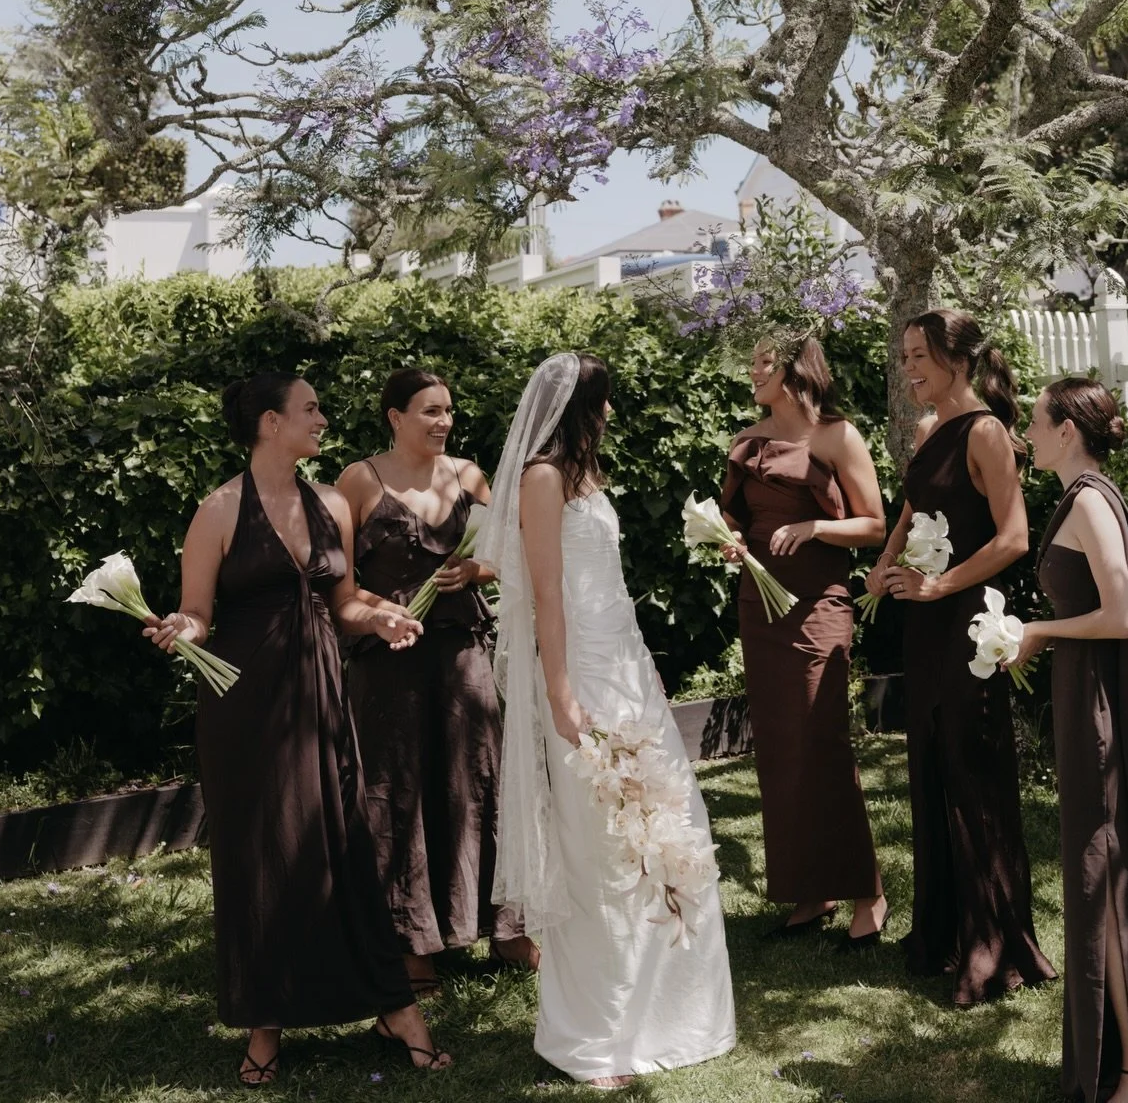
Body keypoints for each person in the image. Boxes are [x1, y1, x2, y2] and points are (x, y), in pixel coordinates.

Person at [143, 373, 451, 1085]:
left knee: (345, 849)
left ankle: (393, 1008)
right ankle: (264, 1025)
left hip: (323, 701)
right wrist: (176, 628)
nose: (322, 417)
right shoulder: (217, 510)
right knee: (261, 861)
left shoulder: (332, 504)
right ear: (268, 422)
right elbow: (198, 613)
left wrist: (376, 616)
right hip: (246, 711)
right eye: (309, 408)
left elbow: (342, 600)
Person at [478, 351, 736, 1089]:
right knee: (602, 848)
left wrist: (643, 661)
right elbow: (545, 597)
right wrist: (559, 691)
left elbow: (609, 586)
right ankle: (598, 1031)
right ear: (579, 407)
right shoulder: (541, 477)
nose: (614, 414)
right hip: (579, 675)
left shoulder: (586, 478)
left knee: (670, 828)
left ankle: (674, 1014)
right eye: (607, 402)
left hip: (625, 668)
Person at [865, 310, 1055, 1005]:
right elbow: (911, 512)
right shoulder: (926, 430)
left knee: (974, 775)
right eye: (906, 354)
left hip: (970, 627)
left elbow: (1013, 538)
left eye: (919, 356)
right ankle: (942, 934)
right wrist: (884, 567)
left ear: (957, 360)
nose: (908, 367)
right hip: (922, 624)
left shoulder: (986, 433)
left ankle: (994, 945)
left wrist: (940, 583)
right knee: (931, 768)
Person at [337, 368, 538, 992]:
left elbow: (514, 552)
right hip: (390, 662)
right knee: (397, 791)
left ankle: (502, 927)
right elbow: (337, 582)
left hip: (461, 656)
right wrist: (384, 611)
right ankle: (412, 941)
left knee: (475, 779)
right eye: (429, 411)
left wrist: (475, 568)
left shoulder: (469, 475)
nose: (443, 422)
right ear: (394, 417)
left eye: (448, 410)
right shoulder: (358, 480)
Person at [1017, 378, 1128, 1103]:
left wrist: (1037, 631)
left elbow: (1118, 616)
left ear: (1065, 432)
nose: (1026, 434)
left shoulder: (1089, 500)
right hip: (1082, 699)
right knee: (1098, 883)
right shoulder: (1082, 494)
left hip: (1098, 716)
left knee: (1105, 884)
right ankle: (1125, 1063)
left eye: (1033, 422)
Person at [720, 334, 889, 942]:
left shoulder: (837, 437)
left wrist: (816, 525)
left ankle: (867, 888)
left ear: (797, 370)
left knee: (821, 741)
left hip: (818, 605)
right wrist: (724, 537)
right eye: (755, 358)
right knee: (779, 748)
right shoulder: (746, 440)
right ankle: (809, 891)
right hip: (758, 606)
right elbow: (734, 517)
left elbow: (874, 526)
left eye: (767, 361)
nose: (755, 369)